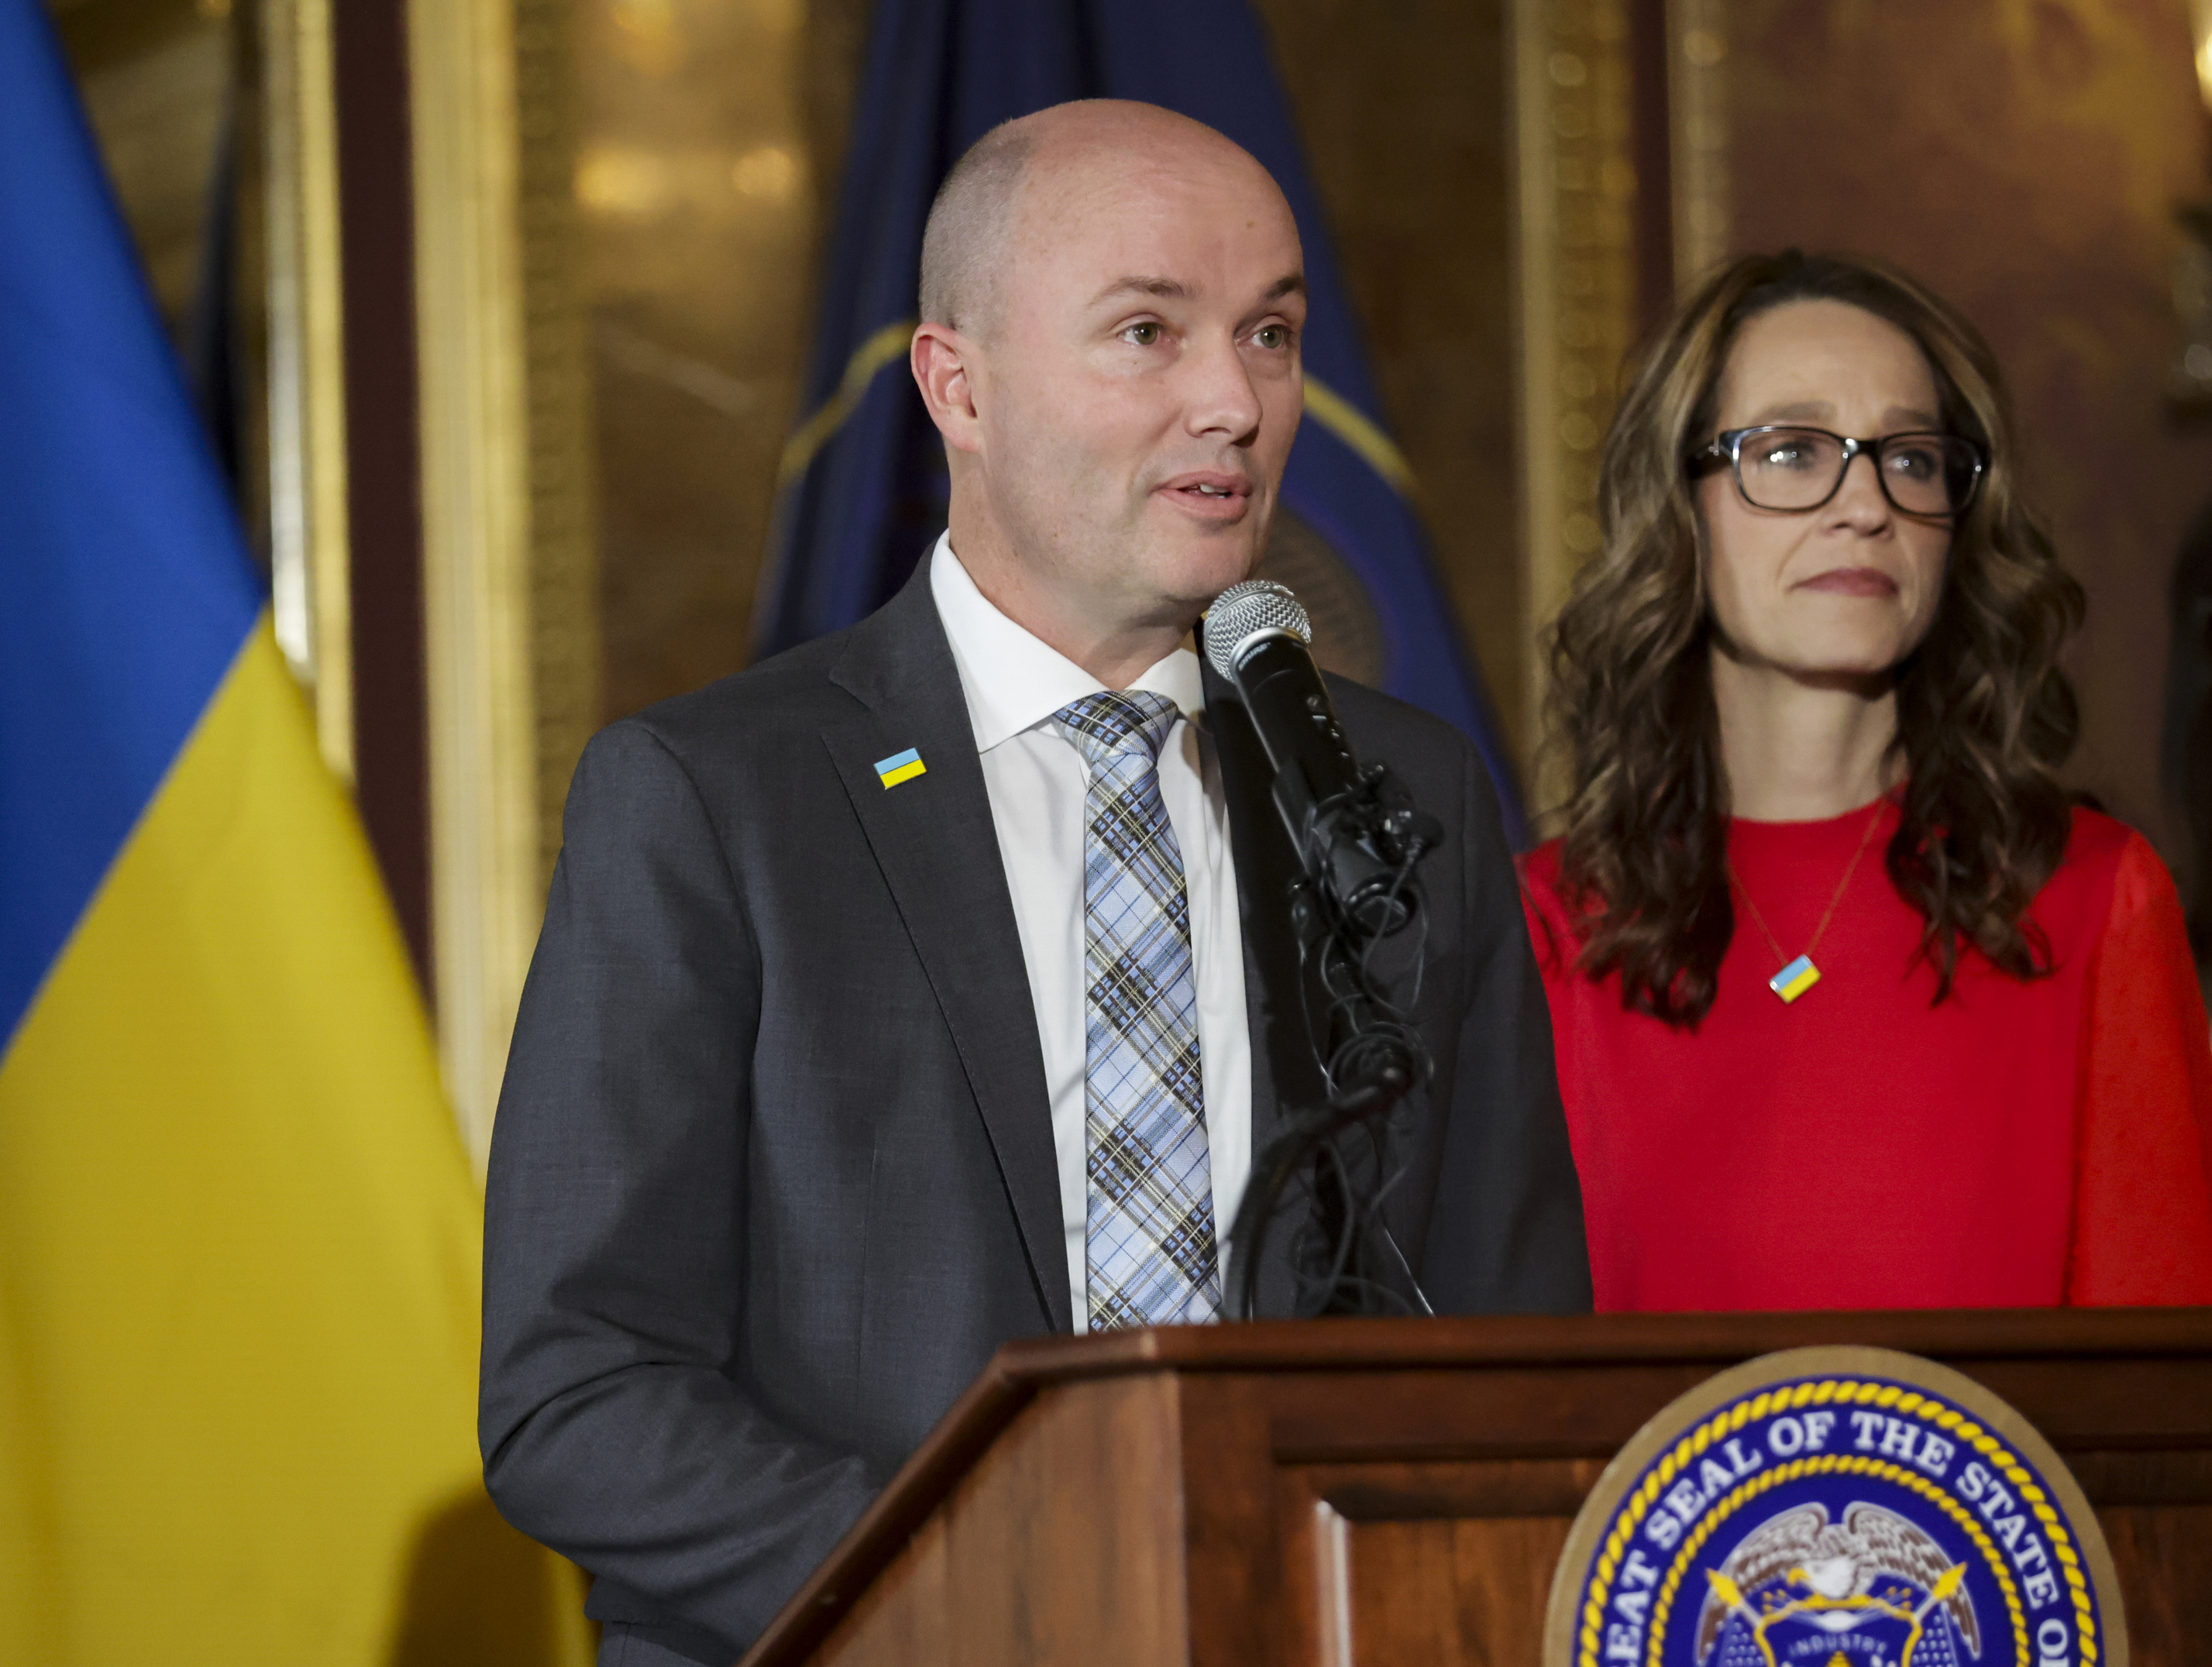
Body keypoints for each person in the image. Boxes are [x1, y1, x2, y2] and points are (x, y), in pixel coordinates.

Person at [481, 99, 1589, 1666]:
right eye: (1150, 330)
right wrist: (1006, 1587)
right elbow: (577, 1387)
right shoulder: (713, 799)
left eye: (1270, 333)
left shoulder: (1400, 796)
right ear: (960, 384)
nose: (1238, 399)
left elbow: (1514, 1349)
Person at [1521, 249, 2212, 1312]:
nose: (1865, 505)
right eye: (1792, 451)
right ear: (1679, 506)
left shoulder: (2091, 899)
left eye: (1913, 459)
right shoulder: (1540, 927)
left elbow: (2159, 1416)